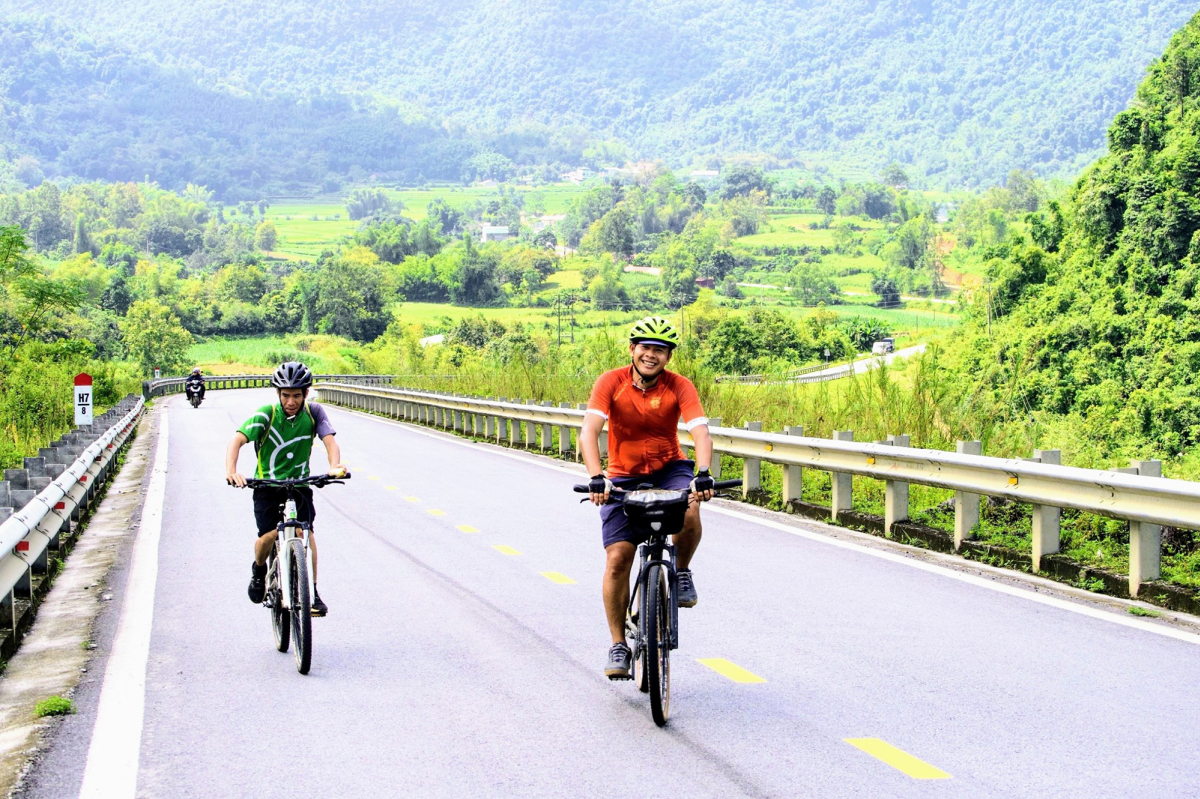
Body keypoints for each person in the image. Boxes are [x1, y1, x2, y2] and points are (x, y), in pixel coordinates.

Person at [578, 316, 716, 680]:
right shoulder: (611, 382)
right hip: (623, 475)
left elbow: (700, 432)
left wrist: (702, 473)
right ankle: (618, 643)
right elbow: (589, 432)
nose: (651, 355)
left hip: (669, 468)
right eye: (645, 347)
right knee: (618, 558)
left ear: (668, 357)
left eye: (660, 350)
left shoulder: (679, 386)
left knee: (690, 506)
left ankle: (682, 572)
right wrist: (596, 477)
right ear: (632, 350)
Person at [225, 361, 343, 617]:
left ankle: (312, 592)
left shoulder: (314, 413)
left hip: (299, 485)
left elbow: (330, 442)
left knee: (306, 532)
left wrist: (335, 466)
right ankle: (259, 571)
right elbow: (237, 439)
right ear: (278, 393)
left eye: (297, 395)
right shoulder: (266, 414)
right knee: (268, 535)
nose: (291, 401)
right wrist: (232, 471)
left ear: (306, 394)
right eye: (286, 395)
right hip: (267, 485)